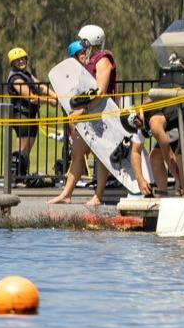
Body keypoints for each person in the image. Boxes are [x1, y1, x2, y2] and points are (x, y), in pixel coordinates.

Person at [50, 22, 138, 203]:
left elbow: (100, 92)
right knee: (77, 153)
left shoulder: (103, 60)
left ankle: (98, 195)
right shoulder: (90, 60)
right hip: (89, 114)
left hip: (102, 116)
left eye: (83, 42)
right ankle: (66, 195)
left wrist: (82, 112)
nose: (82, 46)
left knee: (101, 155)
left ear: (90, 41)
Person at [2, 45, 43, 188]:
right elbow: (30, 97)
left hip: (31, 115)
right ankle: (16, 177)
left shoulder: (27, 74)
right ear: (12, 63)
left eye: (23, 59)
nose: (21, 62)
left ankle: (23, 175)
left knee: (27, 150)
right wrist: (50, 101)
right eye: (17, 60)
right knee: (22, 149)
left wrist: (55, 94)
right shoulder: (15, 78)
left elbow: (41, 86)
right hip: (21, 116)